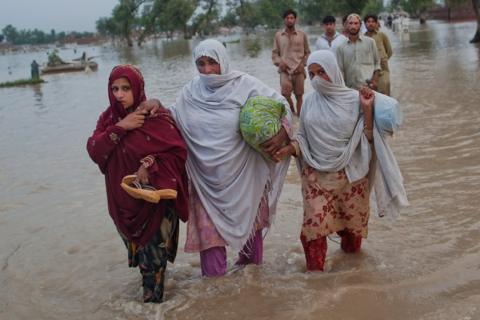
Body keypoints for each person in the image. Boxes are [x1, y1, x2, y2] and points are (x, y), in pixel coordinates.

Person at [275, 50, 408, 271]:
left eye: (322, 72)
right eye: (312, 74)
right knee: (313, 231)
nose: (317, 79)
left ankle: (352, 278)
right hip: (315, 177)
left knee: (351, 231)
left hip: (351, 177)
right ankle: (315, 280)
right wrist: (290, 148)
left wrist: (367, 110)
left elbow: (368, 138)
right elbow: (303, 137)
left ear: (334, 72)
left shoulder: (355, 100)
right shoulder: (308, 102)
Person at [170, 39, 292, 277]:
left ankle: (249, 298)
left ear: (223, 62)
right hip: (206, 183)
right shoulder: (190, 92)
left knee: (251, 262)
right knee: (212, 267)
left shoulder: (245, 85)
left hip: (244, 178)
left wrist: (282, 133)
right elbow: (171, 118)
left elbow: (281, 105)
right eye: (201, 64)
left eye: (212, 63)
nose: (207, 71)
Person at [86, 65, 189, 302]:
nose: (119, 94)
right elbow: (94, 150)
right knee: (144, 264)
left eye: (125, 88)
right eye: (114, 89)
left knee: (155, 264)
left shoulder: (155, 117)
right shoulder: (108, 119)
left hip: (154, 205)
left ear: (138, 88)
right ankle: (149, 301)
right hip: (123, 203)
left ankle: (154, 308)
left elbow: (177, 153)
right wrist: (122, 127)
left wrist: (149, 163)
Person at [272, 9, 311, 115]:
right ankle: (292, 112)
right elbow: (275, 54)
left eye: (292, 18)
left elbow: (308, 53)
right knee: (285, 94)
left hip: (299, 70)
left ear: (295, 20)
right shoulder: (278, 35)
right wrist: (280, 63)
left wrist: (302, 64)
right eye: (287, 18)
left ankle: (300, 119)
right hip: (285, 71)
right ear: (284, 20)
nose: (290, 20)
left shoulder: (302, 34)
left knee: (299, 96)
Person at [336, 14, 381, 91]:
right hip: (350, 89)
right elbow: (340, 71)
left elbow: (377, 63)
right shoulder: (341, 48)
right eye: (350, 23)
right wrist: (342, 90)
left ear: (360, 25)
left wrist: (375, 82)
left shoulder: (370, 42)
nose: (353, 26)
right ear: (346, 25)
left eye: (356, 23)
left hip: (368, 87)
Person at [365, 14, 393, 96]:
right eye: (368, 22)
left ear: (376, 23)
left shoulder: (381, 35)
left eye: (373, 22)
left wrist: (383, 60)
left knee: (385, 94)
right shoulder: (362, 38)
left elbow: (389, 51)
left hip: (383, 71)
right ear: (365, 23)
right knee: (371, 95)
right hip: (369, 72)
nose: (371, 24)